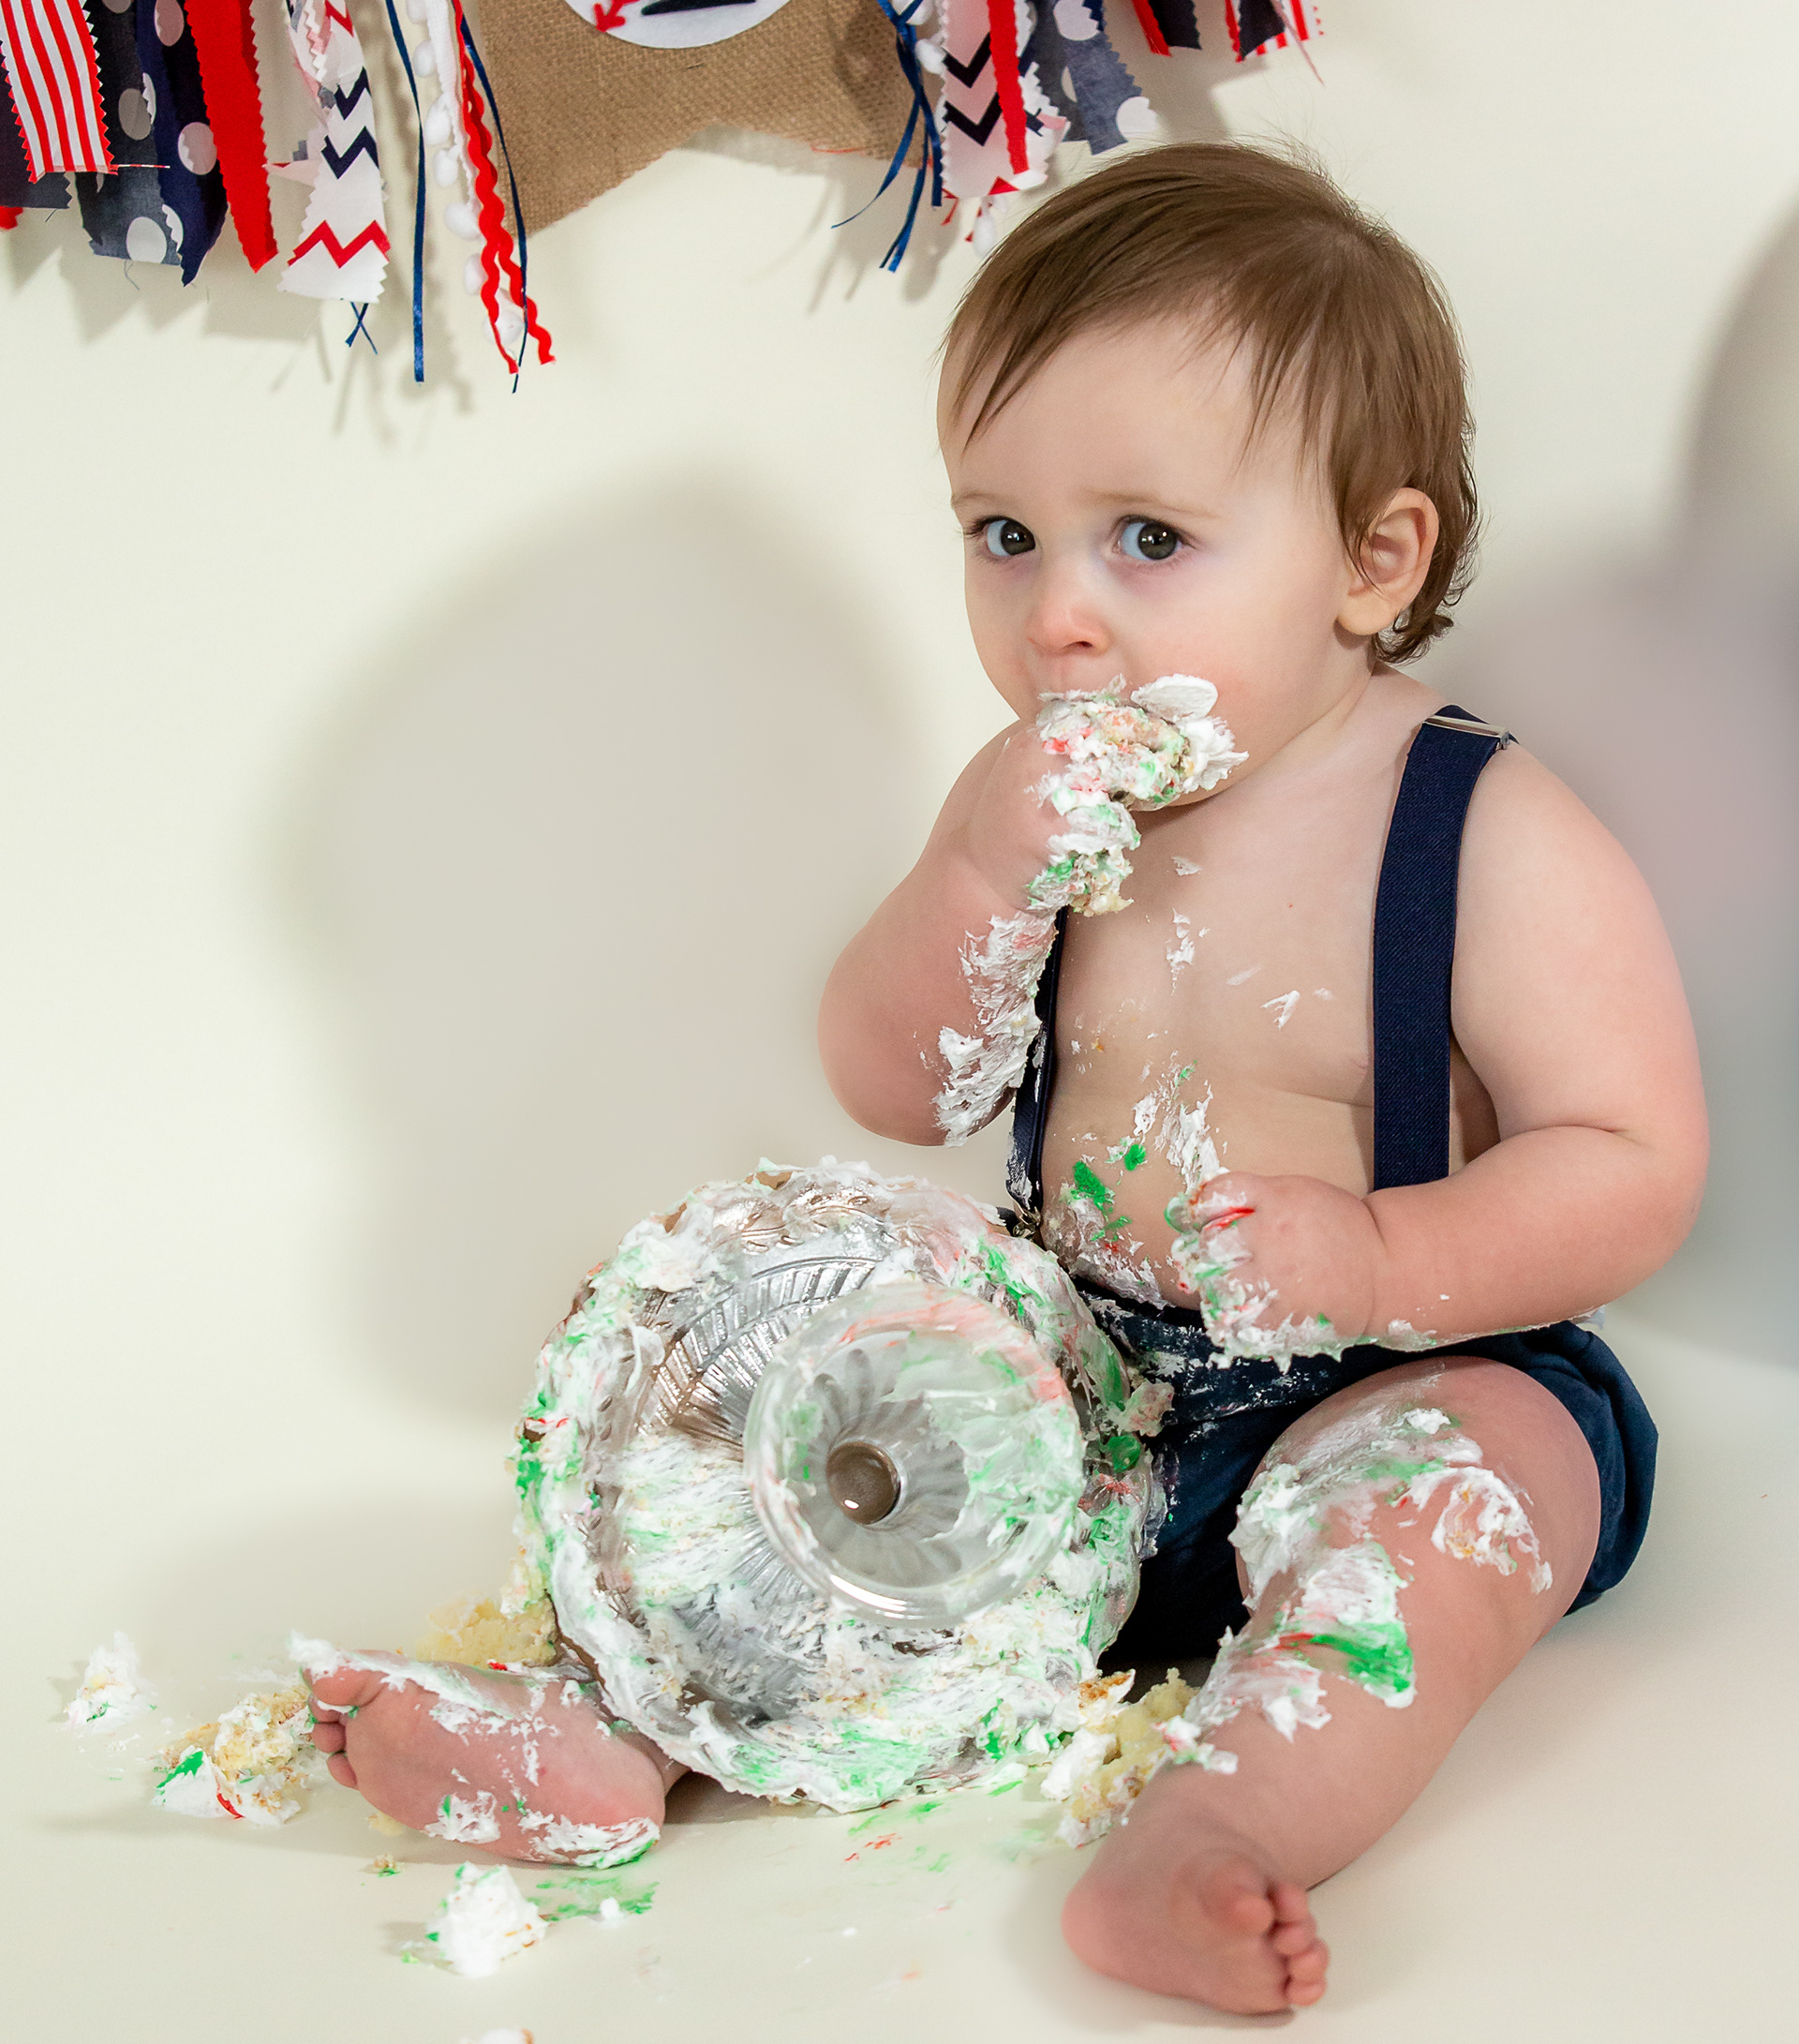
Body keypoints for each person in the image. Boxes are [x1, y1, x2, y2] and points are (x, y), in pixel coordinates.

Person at [307, 145, 1705, 2014]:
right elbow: (896, 1086)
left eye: (1149, 541)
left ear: (1374, 562)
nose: (1058, 616)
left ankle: (1224, 1822)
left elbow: (1630, 1158)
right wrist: (979, 880)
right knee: (789, 1424)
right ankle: (624, 1725)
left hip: (1391, 1372)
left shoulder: (1483, 830)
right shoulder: (1027, 806)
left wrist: (1381, 1259)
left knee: (1444, 1507)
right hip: (1074, 1396)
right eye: (1003, 534)